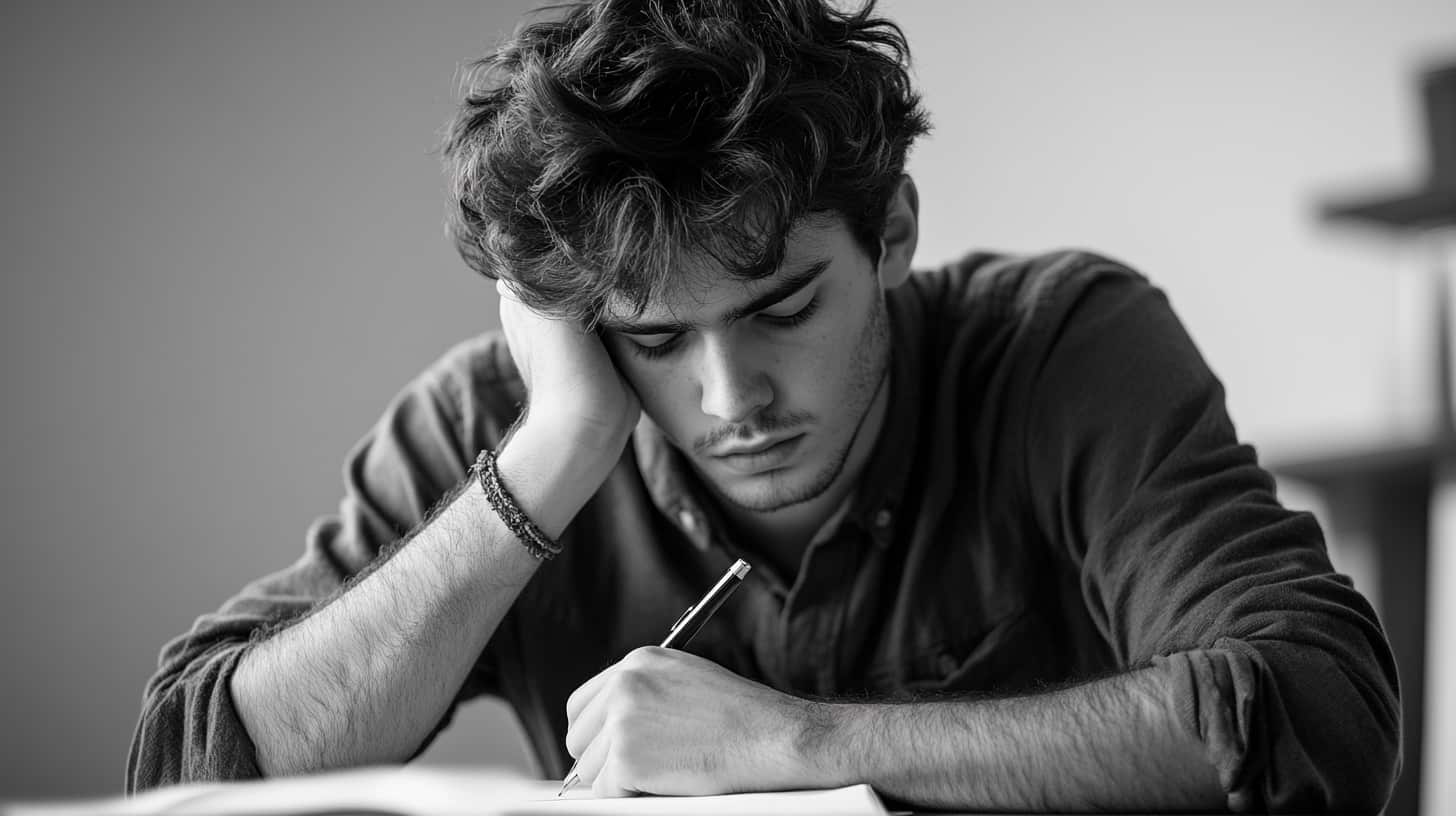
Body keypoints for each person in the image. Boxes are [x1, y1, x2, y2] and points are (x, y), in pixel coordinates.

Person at [127, 0, 1400, 811]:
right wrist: (558, 455)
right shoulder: (499, 426)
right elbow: (186, 774)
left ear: (892, 231)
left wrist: (797, 746)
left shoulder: (1062, 345)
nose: (731, 398)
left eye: (783, 310)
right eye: (655, 339)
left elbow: (1314, 713)